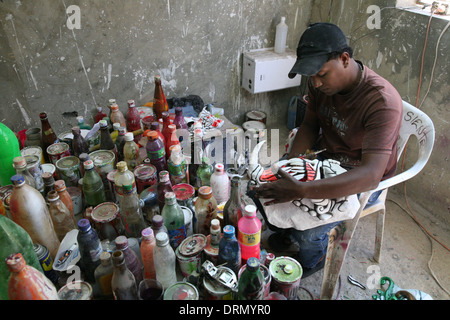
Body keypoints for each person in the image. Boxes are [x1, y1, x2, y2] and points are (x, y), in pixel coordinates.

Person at [252, 22, 403, 278]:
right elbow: (309, 125)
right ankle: (287, 229)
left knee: (309, 232)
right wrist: (289, 167)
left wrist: (301, 190)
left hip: (362, 178)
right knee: (262, 189)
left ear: (345, 59)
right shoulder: (319, 85)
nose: (316, 83)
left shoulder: (381, 102)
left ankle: (315, 258)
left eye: (322, 74)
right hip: (327, 160)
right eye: (312, 76)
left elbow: (371, 175)